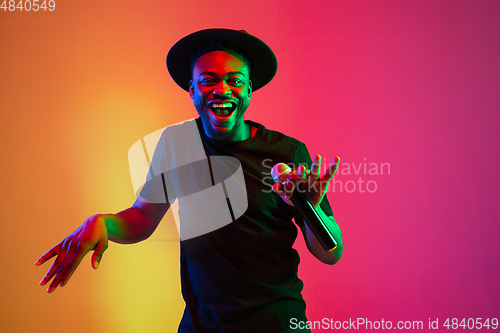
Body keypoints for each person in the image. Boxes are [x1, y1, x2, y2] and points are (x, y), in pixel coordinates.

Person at [35, 28, 343, 333]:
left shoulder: (286, 152)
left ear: (249, 90)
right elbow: (143, 216)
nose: (222, 90)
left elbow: (331, 253)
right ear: (192, 90)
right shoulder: (176, 144)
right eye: (208, 81)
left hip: (274, 323)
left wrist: (310, 209)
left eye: (234, 81)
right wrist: (103, 223)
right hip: (202, 323)